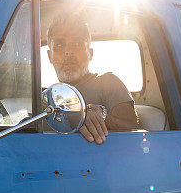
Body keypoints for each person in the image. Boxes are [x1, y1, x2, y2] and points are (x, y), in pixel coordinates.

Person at [47, 11, 139, 144]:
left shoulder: (108, 82)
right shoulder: (46, 97)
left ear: (90, 53)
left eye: (78, 44)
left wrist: (97, 114)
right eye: (59, 45)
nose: (69, 51)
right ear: (50, 56)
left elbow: (136, 129)